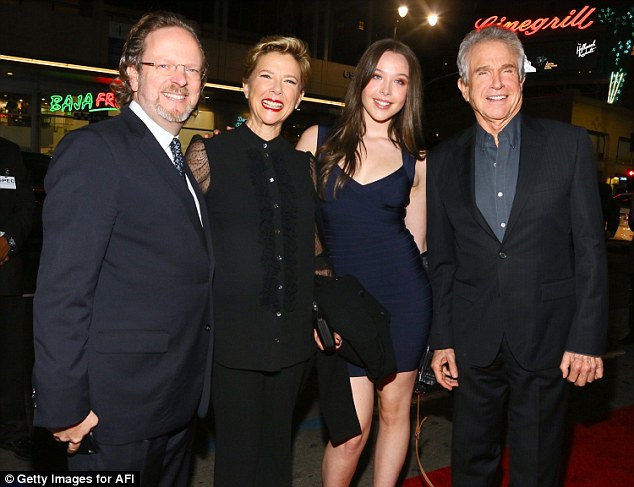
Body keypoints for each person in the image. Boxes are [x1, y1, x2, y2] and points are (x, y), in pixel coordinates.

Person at [32, 11, 214, 484]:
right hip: (113, 412)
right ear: (131, 74)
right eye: (165, 66)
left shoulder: (178, 159)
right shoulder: (96, 151)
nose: (181, 79)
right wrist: (64, 404)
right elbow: (62, 290)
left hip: (174, 403)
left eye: (192, 69)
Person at [427, 26, 608, 487]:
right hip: (473, 336)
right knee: (471, 460)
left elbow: (590, 247)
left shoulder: (568, 146)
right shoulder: (444, 160)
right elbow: (443, 259)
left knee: (538, 462)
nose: (497, 83)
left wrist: (586, 338)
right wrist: (442, 337)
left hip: (547, 334)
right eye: (482, 72)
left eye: (508, 70)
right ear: (464, 87)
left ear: (523, 79)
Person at [296, 38, 431, 486]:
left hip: (405, 299)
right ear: (360, 80)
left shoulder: (417, 160)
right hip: (344, 306)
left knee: (395, 416)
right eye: (377, 76)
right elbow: (290, 230)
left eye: (400, 81)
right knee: (351, 434)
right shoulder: (318, 140)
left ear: (409, 93)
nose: (386, 90)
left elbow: (419, 240)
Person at [186, 36, 315, 487]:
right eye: (266, 76)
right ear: (245, 85)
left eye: (289, 82)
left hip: (294, 340)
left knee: (277, 456)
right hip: (232, 338)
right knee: (238, 461)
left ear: (299, 98)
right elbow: (182, 243)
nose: (276, 89)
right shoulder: (208, 153)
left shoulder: (305, 166)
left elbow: (312, 250)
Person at [0, 136, 35, 460]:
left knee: (12, 361)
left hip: (6, 278)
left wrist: (8, 240)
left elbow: (27, 206)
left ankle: (14, 432)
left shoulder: (9, 152)